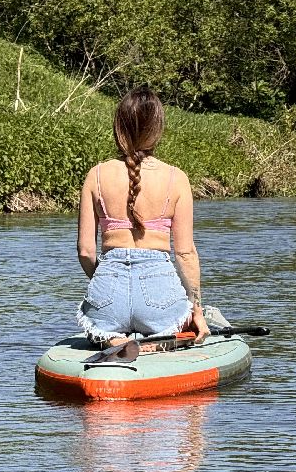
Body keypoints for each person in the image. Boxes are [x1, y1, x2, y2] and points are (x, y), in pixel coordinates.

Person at [75, 86, 208, 349]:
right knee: (181, 324)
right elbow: (185, 254)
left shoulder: (96, 175)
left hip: (108, 296)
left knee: (95, 327)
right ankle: (158, 341)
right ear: (157, 129)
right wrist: (196, 311)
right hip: (160, 298)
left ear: (119, 127)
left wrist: (107, 283)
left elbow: (85, 252)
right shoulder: (176, 178)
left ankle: (111, 339)